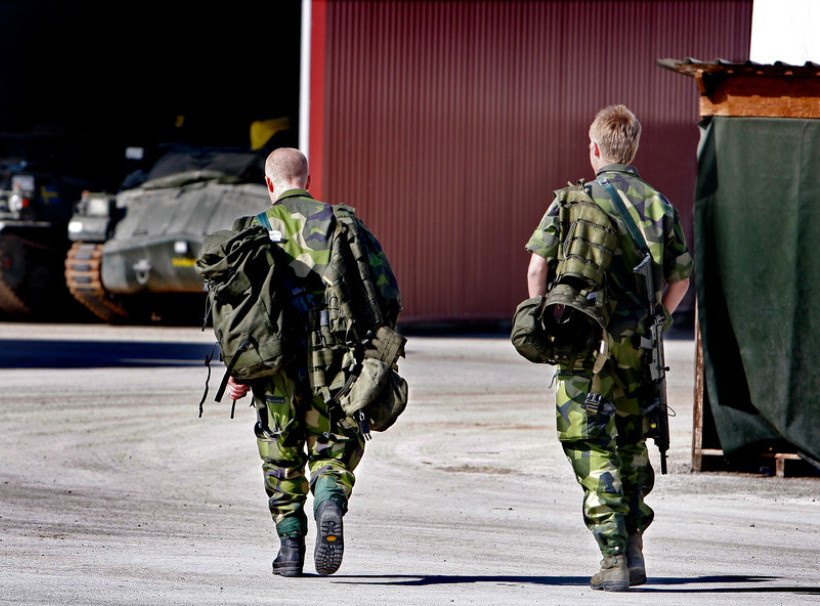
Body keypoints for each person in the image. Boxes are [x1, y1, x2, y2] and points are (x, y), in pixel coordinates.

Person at [524, 105, 693, 591]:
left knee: (588, 440)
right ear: (633, 148)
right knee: (633, 438)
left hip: (584, 345)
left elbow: (538, 266)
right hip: (638, 348)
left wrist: (543, 320)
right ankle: (636, 549)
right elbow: (682, 275)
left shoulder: (572, 201)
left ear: (595, 148)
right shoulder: (658, 204)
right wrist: (658, 316)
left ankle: (614, 555)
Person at [225, 147, 368, 577]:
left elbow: (237, 315)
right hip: (334, 364)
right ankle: (328, 501)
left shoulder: (253, 231)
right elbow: (382, 295)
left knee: (280, 453)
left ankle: (290, 549)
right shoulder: (342, 224)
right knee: (333, 449)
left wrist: (238, 370)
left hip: (273, 365)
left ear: (269, 183)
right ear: (308, 178)